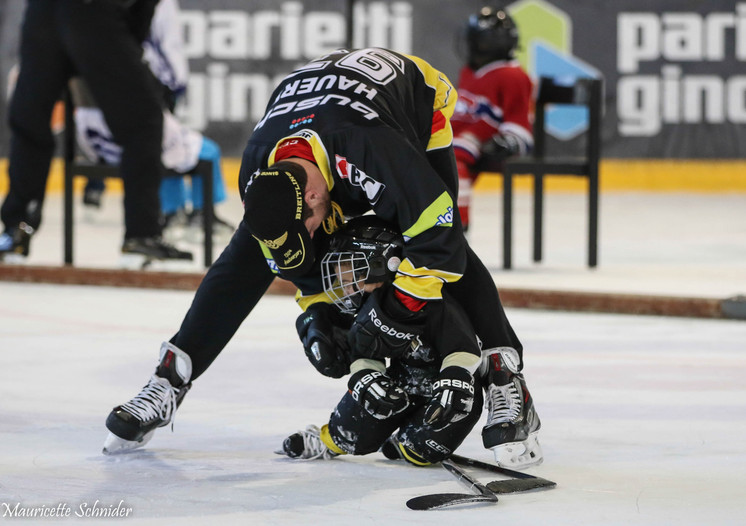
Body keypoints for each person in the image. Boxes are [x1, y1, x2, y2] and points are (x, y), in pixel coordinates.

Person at [102, 47, 542, 468]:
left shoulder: (374, 149)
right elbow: (286, 258)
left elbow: (438, 239)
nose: (313, 236)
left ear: (313, 196)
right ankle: (168, 380)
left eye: (309, 226)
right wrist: (318, 313)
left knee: (438, 239)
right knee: (240, 262)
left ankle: (507, 379)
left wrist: (396, 312)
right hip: (323, 118)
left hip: (411, 103)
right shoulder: (259, 172)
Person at [0, 0, 191, 265]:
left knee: (30, 121)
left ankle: (15, 231)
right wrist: (129, 39)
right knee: (144, 121)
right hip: (94, 13)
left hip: (43, 14)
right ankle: (141, 235)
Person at [278, 216, 487, 466]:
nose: (344, 289)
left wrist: (455, 378)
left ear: (380, 264)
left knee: (419, 452)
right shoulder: (368, 305)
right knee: (362, 413)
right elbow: (365, 351)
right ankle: (331, 439)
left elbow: (463, 347)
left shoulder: (430, 299)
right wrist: (366, 377)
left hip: (444, 388)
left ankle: (406, 443)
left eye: (349, 280)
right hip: (400, 383)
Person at [77, 0, 235, 244]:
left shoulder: (85, 39)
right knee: (191, 149)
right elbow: (165, 48)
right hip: (140, 117)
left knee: (167, 145)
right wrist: (174, 85)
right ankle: (201, 215)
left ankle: (172, 212)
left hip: (99, 138)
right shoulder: (145, 25)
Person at [451, 6, 534, 231]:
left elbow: (520, 122)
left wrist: (510, 141)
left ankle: (456, 226)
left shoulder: (512, 76)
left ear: (485, 44)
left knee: (450, 163)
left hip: (476, 142)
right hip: (456, 136)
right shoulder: (469, 71)